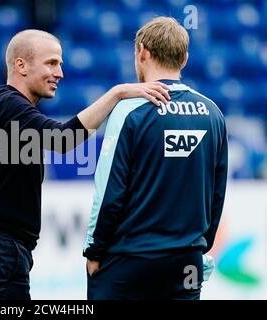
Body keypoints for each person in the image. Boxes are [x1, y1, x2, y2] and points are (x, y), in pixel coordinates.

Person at [0, 29, 170, 300]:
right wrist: (117, 93)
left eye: (61, 64)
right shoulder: (6, 104)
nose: (60, 73)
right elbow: (64, 139)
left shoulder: (14, 112)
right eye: (52, 63)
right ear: (21, 65)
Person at [83, 17, 228, 300]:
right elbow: (217, 194)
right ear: (184, 59)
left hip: (130, 258)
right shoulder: (213, 114)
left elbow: (109, 191)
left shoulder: (130, 110)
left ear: (142, 52)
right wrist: (200, 247)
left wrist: (95, 249)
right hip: (186, 261)